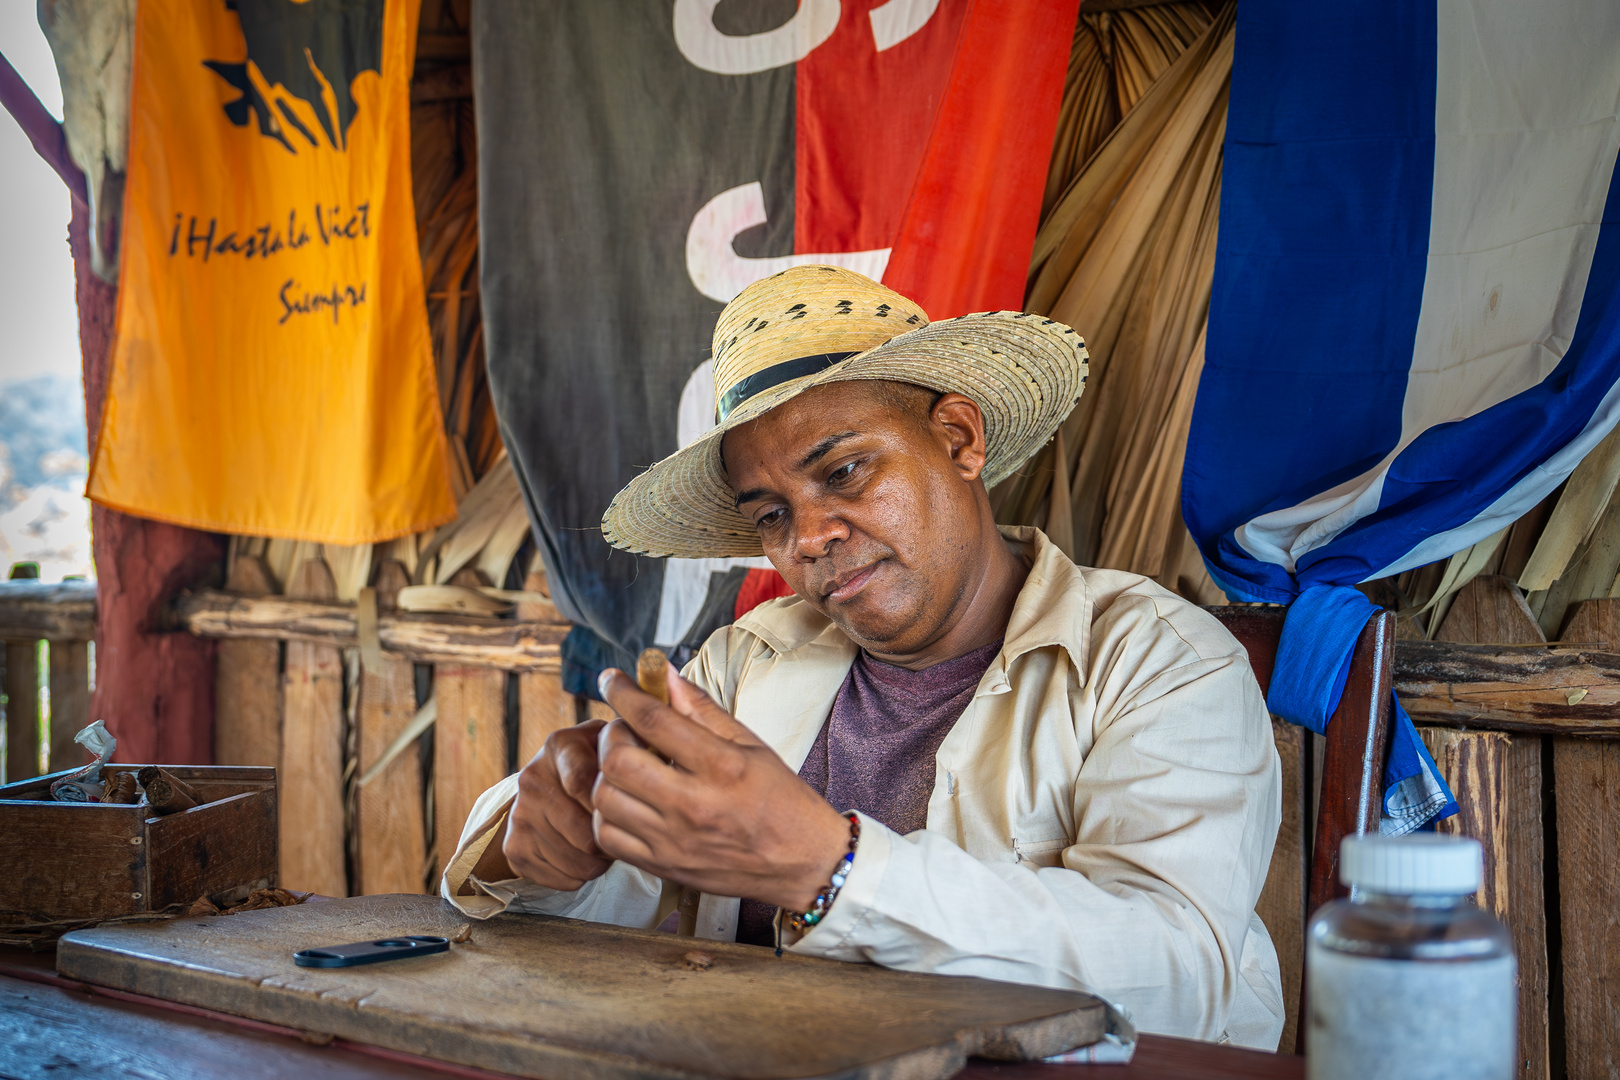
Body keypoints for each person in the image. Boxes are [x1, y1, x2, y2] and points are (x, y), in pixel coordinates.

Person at [441, 265, 1284, 1049]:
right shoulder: (746, 662)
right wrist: (546, 848)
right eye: (770, 514)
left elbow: (1181, 974)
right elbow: (619, 903)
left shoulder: (1158, 661)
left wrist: (830, 868)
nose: (809, 539)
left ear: (958, 437)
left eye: (843, 471)